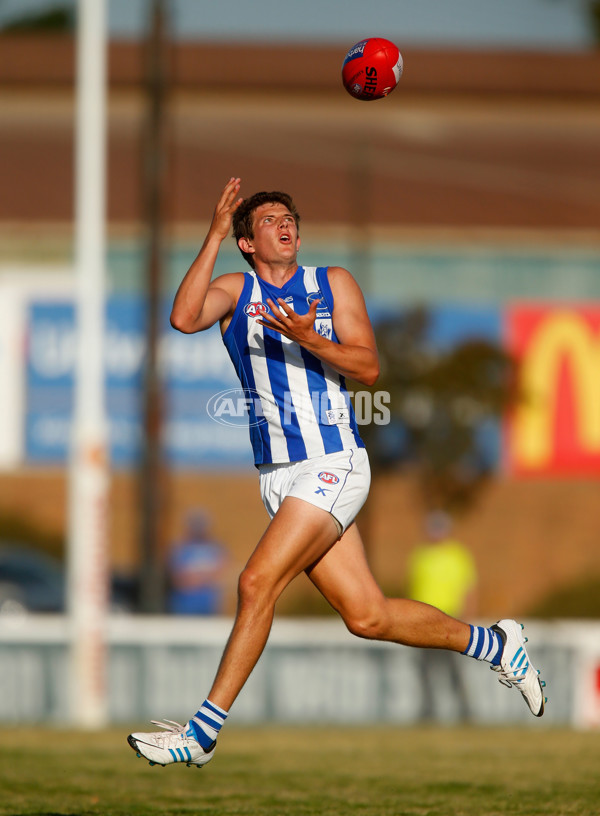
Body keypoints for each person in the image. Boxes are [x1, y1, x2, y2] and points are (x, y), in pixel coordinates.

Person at [127, 178, 546, 769]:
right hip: (278, 476)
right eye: (269, 220)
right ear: (248, 242)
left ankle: (202, 733)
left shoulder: (331, 283)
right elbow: (183, 317)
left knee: (254, 584)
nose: (285, 224)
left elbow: (369, 368)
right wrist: (215, 233)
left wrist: (310, 336)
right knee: (367, 616)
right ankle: (497, 643)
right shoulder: (235, 287)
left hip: (333, 462)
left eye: (289, 217)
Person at [406, 511, 478, 721]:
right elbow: (413, 587)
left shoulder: (457, 555)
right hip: (423, 619)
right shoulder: (420, 555)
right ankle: (428, 711)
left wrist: (468, 617)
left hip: (450, 617)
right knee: (425, 670)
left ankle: (465, 711)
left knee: (455, 669)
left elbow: (469, 587)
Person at [167, 510, 229, 616]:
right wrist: (204, 577)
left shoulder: (215, 548)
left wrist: (197, 578)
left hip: (209, 606)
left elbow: (223, 573)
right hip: (183, 606)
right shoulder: (180, 549)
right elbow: (177, 578)